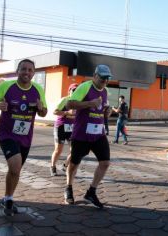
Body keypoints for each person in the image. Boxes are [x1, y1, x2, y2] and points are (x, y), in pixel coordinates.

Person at [0, 59, 47, 216]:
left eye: (30, 70)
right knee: (15, 165)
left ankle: (8, 198)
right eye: (23, 69)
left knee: (16, 170)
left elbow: (44, 112)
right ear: (18, 71)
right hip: (7, 133)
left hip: (26, 136)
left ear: (33, 73)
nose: (26, 72)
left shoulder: (38, 89)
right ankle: (8, 198)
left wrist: (41, 109)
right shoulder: (6, 86)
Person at [64, 64, 112, 209]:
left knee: (105, 163)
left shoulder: (106, 90)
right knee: (74, 164)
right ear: (95, 76)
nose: (105, 80)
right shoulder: (85, 87)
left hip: (98, 134)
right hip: (81, 134)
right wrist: (89, 103)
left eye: (107, 78)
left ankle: (91, 192)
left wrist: (107, 112)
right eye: (103, 77)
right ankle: (68, 187)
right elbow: (69, 104)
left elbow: (102, 109)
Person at [50, 83, 78, 176]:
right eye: (73, 90)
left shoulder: (79, 102)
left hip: (71, 128)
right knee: (58, 150)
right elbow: (55, 111)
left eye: (77, 90)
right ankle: (53, 166)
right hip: (61, 127)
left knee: (75, 150)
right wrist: (67, 112)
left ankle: (65, 165)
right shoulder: (64, 100)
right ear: (69, 91)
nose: (75, 92)